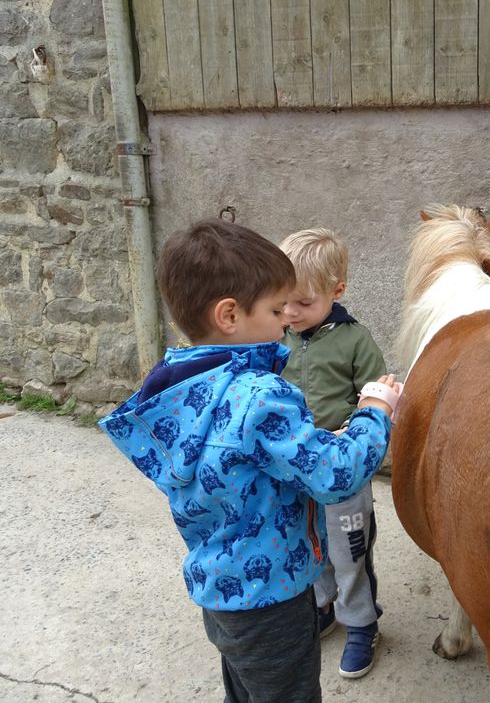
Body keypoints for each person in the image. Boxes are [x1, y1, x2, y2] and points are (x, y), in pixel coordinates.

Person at [99, 219, 401, 703]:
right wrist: (374, 411)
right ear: (230, 315)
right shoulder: (260, 397)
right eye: (277, 308)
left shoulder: (176, 386)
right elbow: (336, 474)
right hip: (273, 595)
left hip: (219, 586)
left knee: (244, 690)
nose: (286, 319)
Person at [278, 227, 387, 678]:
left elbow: (380, 392)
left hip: (342, 471)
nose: (290, 312)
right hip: (292, 469)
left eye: (303, 302)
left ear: (336, 291)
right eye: (282, 301)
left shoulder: (355, 340)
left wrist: (364, 418)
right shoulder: (275, 336)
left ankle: (362, 622)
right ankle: (323, 607)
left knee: (349, 552)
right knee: (309, 543)